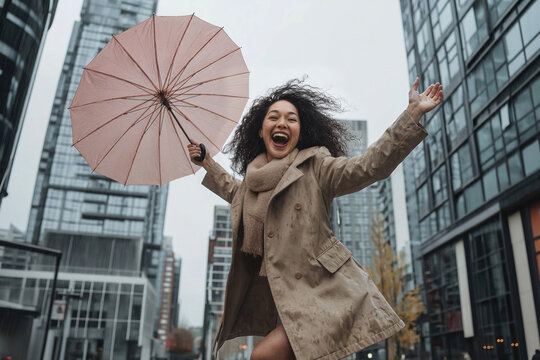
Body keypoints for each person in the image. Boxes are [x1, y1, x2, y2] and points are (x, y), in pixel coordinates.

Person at [188, 77, 443, 360]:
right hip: (283, 297)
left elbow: (369, 166)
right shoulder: (252, 184)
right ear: (261, 131)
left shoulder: (316, 166)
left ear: (300, 130)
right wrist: (206, 162)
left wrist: (412, 114)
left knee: (262, 356)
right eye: (273, 117)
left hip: (321, 292)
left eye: (291, 119)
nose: (282, 123)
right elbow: (235, 192)